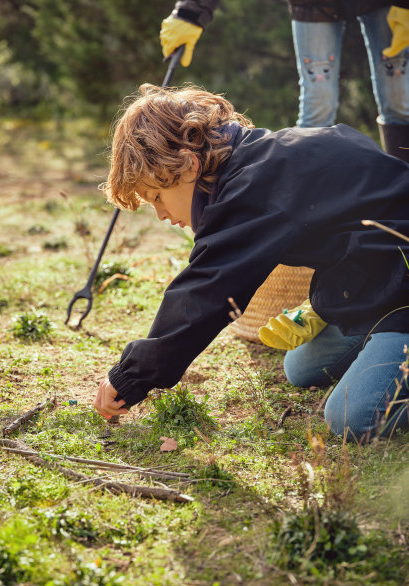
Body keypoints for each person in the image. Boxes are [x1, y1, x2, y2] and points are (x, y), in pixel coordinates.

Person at [94, 83, 409, 443]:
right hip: (380, 283)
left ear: (188, 165)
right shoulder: (260, 160)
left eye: (157, 197)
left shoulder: (253, 188)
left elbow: (207, 291)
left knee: (355, 418)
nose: (162, 214)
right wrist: (328, 302)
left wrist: (130, 377)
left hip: (402, 290)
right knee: (301, 367)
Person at [159, 1, 409, 162]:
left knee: (398, 97)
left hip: (385, 4)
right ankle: (306, 203)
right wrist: (190, 12)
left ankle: (403, 192)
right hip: (314, 5)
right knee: (317, 105)